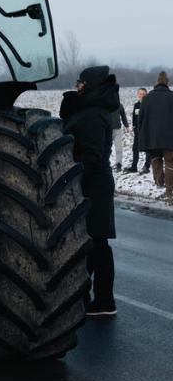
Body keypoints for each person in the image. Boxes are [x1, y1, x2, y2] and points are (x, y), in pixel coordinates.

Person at [61, 66, 118, 316]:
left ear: (92, 85)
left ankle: (104, 300)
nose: (77, 86)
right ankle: (87, 297)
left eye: (81, 83)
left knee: (96, 242)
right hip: (91, 182)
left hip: (93, 183)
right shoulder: (90, 110)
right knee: (92, 242)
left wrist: (72, 176)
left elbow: (91, 156)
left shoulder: (94, 114)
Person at [138, 71, 173, 201]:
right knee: (170, 162)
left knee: (155, 159)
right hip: (170, 136)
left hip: (152, 136)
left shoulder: (147, 98)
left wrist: (142, 134)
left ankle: (159, 182)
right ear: (167, 83)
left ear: (157, 83)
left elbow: (140, 119)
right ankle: (169, 191)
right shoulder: (172, 96)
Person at [124, 88, 150, 173]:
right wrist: (134, 127)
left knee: (148, 149)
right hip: (137, 131)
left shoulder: (149, 105)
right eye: (140, 93)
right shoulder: (136, 105)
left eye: (143, 94)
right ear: (138, 94)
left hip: (147, 131)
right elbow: (134, 118)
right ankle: (134, 167)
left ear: (146, 95)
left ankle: (147, 166)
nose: (141, 95)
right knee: (135, 148)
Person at [110, 100, 129, 172]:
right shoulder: (104, 104)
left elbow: (123, 116)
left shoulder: (119, 105)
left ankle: (119, 164)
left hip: (117, 130)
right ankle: (105, 164)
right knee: (106, 149)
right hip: (107, 130)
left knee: (119, 148)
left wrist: (127, 126)